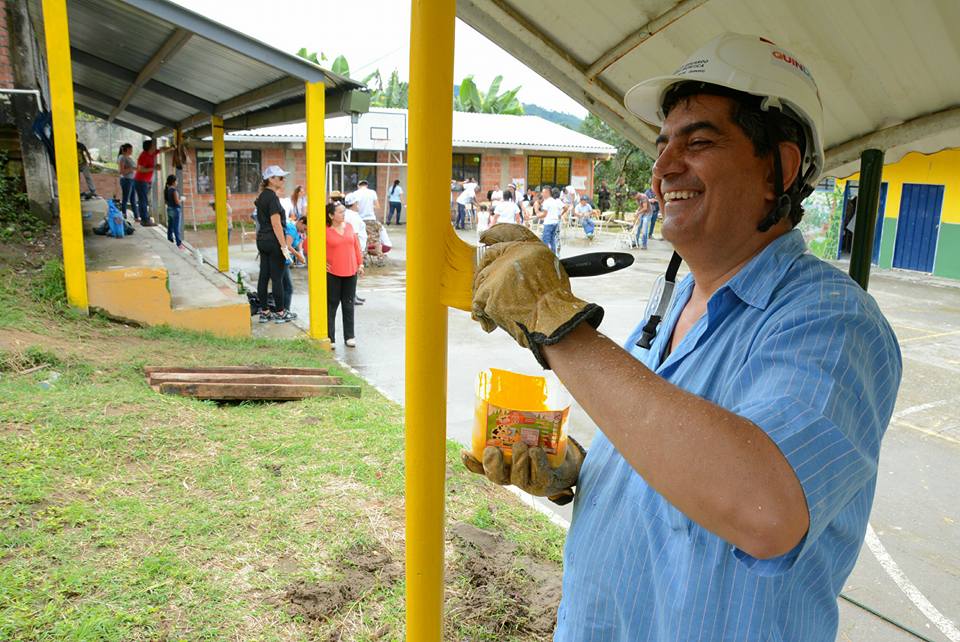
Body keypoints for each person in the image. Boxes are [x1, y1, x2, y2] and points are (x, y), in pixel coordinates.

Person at [464, 33, 902, 642]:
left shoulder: (831, 320)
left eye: (699, 141)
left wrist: (556, 325)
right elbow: (672, 446)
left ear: (782, 167)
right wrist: (578, 473)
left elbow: (763, 508)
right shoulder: (675, 301)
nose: (664, 166)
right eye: (663, 143)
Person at [255, 165, 296, 323]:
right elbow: (276, 224)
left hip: (262, 240)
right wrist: (284, 247)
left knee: (263, 277)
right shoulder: (272, 197)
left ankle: (264, 311)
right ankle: (280, 312)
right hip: (273, 241)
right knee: (277, 278)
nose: (283, 180)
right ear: (270, 180)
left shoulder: (262, 196)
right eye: (280, 177)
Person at [325, 201, 364, 347]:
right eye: (340, 212)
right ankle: (331, 338)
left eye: (344, 211)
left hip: (351, 271)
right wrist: (321, 263)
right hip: (333, 273)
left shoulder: (349, 227)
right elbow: (308, 246)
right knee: (332, 304)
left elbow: (356, 246)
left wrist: (360, 263)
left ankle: (349, 336)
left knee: (348, 304)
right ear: (331, 215)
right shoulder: (325, 230)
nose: (343, 214)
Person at [343, 193, 368, 305]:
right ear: (354, 204)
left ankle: (353, 295)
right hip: (355, 248)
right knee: (353, 273)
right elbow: (355, 235)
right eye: (357, 203)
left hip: (350, 248)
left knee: (352, 273)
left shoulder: (346, 214)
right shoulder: (354, 216)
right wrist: (358, 252)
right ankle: (351, 296)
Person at [133, 140, 158, 226]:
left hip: (145, 181)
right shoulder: (143, 156)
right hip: (140, 181)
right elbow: (140, 169)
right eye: (153, 145)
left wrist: (171, 147)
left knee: (143, 200)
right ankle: (145, 220)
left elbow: (161, 150)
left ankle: (145, 219)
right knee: (143, 201)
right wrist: (154, 168)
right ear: (150, 147)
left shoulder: (152, 153)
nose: (155, 147)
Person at [536, 186, 566, 254]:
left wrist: (537, 215)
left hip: (549, 223)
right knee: (552, 240)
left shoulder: (546, 202)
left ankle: (545, 255)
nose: (542, 194)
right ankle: (553, 255)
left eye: (543, 192)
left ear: (547, 192)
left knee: (545, 241)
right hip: (555, 223)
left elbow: (544, 214)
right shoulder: (554, 201)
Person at [116, 143, 137, 218]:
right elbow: (121, 171)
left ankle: (136, 216)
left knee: (133, 199)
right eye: (130, 149)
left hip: (132, 180)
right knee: (125, 199)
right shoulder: (122, 157)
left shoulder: (128, 157)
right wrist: (132, 169)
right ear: (127, 149)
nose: (132, 151)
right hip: (126, 180)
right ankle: (124, 216)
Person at [163, 175, 183, 249]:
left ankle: (169, 240)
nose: (177, 182)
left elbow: (166, 201)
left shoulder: (167, 190)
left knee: (170, 226)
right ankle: (179, 243)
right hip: (175, 210)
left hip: (169, 209)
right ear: (173, 182)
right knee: (176, 227)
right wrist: (182, 200)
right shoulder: (174, 191)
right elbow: (177, 202)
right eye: (176, 181)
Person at [77, 135, 98, 199]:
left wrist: (90, 161)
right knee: (76, 179)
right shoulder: (69, 145)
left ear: (77, 138)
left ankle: (93, 190)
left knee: (88, 176)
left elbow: (87, 152)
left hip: (83, 163)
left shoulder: (80, 145)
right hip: (74, 165)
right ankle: (77, 191)